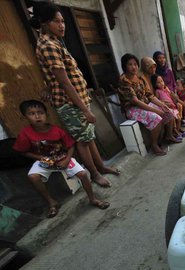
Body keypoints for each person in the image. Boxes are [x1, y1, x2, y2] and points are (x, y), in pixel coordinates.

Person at [31, 2, 117, 187]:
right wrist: (85, 109)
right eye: (56, 21)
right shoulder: (48, 45)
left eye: (62, 21)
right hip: (70, 103)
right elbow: (63, 81)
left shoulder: (54, 41)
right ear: (44, 23)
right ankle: (94, 174)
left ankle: (101, 167)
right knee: (82, 141)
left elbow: (53, 75)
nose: (62, 25)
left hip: (77, 101)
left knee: (89, 136)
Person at [13, 100, 110, 218]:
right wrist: (40, 157)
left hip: (63, 157)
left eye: (40, 113)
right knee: (33, 176)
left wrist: (67, 159)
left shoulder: (56, 130)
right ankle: (51, 202)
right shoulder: (25, 133)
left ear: (46, 114)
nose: (37, 116)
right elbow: (22, 151)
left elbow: (71, 146)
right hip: (45, 160)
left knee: (83, 174)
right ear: (25, 117)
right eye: (32, 114)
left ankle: (93, 199)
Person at [117, 53, 179, 156]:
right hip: (132, 109)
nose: (133, 67)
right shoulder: (124, 81)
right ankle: (154, 145)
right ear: (125, 66)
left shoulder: (140, 79)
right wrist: (156, 110)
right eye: (130, 64)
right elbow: (135, 101)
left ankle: (168, 135)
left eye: (135, 64)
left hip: (145, 104)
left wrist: (162, 105)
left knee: (168, 111)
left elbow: (150, 95)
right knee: (155, 118)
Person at [151, 74, 185, 141]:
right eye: (158, 82)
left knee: (179, 118)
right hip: (166, 108)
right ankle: (173, 133)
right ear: (155, 85)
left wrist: (172, 96)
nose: (161, 83)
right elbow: (158, 101)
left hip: (172, 107)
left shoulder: (166, 90)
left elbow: (171, 98)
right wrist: (164, 102)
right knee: (173, 117)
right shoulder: (157, 91)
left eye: (162, 81)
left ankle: (177, 131)